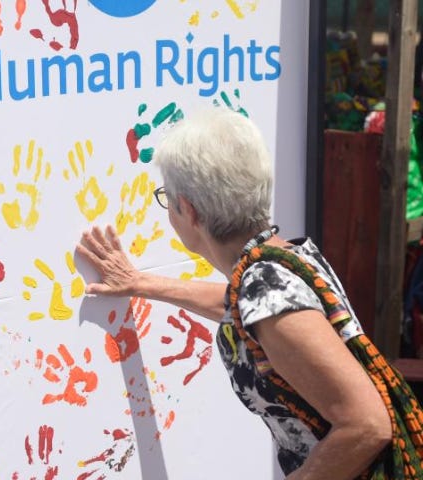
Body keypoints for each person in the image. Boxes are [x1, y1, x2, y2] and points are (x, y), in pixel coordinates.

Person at [76, 108, 410, 479]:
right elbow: (244, 308)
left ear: (188, 210)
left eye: (166, 198)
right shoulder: (277, 262)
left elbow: (366, 425)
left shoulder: (264, 290)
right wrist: (143, 284)